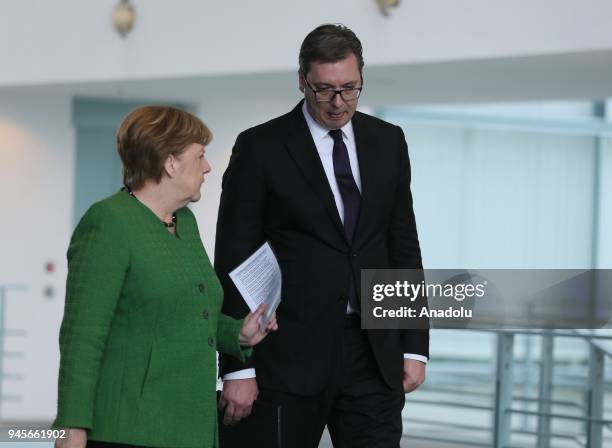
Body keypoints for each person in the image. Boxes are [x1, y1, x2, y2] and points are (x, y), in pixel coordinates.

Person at [215, 24, 428, 448]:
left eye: (350, 89)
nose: (338, 103)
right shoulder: (261, 147)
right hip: (286, 358)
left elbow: (401, 245)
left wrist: (414, 345)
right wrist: (239, 368)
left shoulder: (388, 142)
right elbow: (234, 257)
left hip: (373, 354)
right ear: (301, 81)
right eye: (324, 90)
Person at [53, 105, 277, 448]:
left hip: (191, 428)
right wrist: (71, 427)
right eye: (199, 156)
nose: (207, 166)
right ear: (170, 163)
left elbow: (189, 312)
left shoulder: (184, 222)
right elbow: (82, 336)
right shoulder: (108, 222)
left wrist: (239, 334)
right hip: (128, 429)